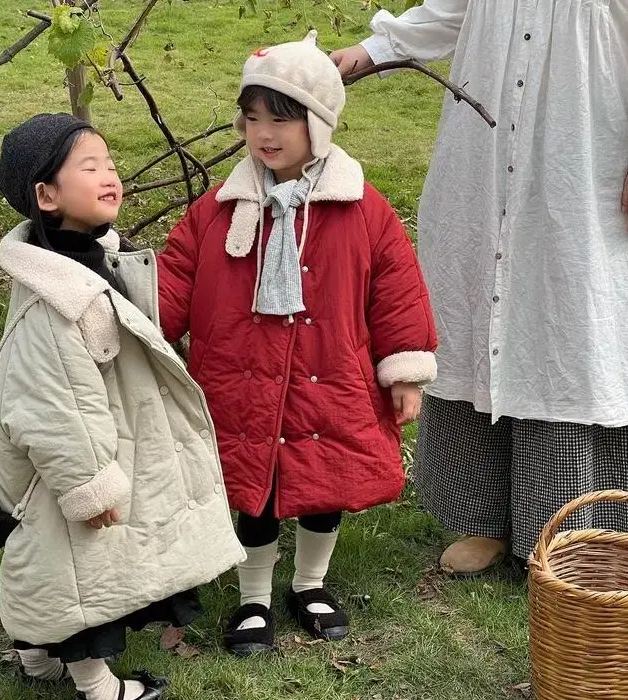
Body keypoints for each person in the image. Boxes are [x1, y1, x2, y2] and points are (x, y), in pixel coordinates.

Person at [157, 31, 437, 655]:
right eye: (252, 118)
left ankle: (310, 583)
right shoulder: (220, 209)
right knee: (254, 486)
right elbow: (176, 273)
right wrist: (145, 328)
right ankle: (254, 597)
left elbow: (396, 287)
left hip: (327, 371)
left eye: (281, 119)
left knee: (321, 478)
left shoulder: (361, 208)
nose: (264, 133)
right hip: (241, 373)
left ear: (319, 122)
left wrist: (406, 369)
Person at [331, 0, 628, 575]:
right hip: (483, 161)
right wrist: (370, 52)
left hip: (583, 163)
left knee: (566, 323)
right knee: (473, 307)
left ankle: (568, 527)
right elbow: (451, 12)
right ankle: (485, 520)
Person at [0, 113, 244, 699]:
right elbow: (53, 405)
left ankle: (34, 655)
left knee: (71, 569)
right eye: (89, 166)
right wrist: (90, 485)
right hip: (76, 464)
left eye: (109, 163)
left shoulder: (92, 259)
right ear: (47, 195)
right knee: (84, 574)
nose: (110, 175)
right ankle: (97, 685)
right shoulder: (52, 297)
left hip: (110, 438)